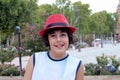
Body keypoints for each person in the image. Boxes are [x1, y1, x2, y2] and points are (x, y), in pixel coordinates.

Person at [23, 14, 84, 80]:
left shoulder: (77, 65)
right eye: (53, 36)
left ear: (69, 37)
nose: (58, 40)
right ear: (47, 39)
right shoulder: (35, 59)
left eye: (62, 35)